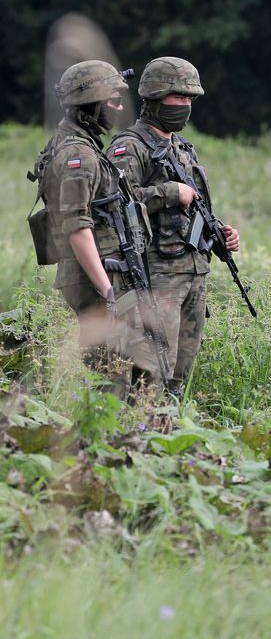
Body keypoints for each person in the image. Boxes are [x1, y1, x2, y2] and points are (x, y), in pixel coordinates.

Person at [108, 57, 241, 395]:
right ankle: (142, 436)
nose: (185, 106)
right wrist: (168, 192)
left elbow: (193, 206)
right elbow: (113, 203)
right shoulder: (130, 147)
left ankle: (170, 433)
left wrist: (221, 231)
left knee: (180, 373)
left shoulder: (182, 149)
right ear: (154, 97)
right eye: (178, 98)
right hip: (156, 276)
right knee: (151, 370)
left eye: (190, 100)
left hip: (193, 272)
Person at [29, 60, 151, 395]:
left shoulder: (81, 145)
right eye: (113, 101)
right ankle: (103, 441)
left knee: (129, 369)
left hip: (105, 273)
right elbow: (76, 226)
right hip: (94, 280)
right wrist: (108, 291)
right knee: (110, 376)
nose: (119, 107)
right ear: (91, 103)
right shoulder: (77, 155)